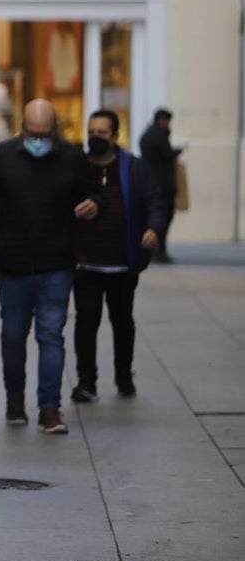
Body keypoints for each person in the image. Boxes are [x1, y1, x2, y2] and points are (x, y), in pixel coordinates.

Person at [0, 99, 102, 435]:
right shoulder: (2, 157)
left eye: (45, 133)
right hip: (13, 264)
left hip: (57, 262)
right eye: (32, 133)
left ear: (55, 128)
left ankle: (49, 409)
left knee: (50, 335)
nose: (39, 140)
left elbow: (94, 194)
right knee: (13, 336)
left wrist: (94, 206)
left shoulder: (72, 158)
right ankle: (15, 401)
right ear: (22, 128)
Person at [71, 110, 167, 401]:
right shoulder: (78, 168)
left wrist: (153, 228)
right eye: (91, 132)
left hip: (122, 263)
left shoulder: (134, 168)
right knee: (86, 322)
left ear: (115, 136)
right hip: (85, 263)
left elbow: (154, 200)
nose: (94, 138)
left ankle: (124, 377)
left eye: (101, 132)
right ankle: (87, 382)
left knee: (122, 322)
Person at [138, 108, 183, 263]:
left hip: (155, 183)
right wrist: (177, 151)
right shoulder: (158, 135)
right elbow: (167, 154)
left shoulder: (148, 134)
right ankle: (158, 250)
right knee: (162, 218)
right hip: (162, 184)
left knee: (157, 218)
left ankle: (156, 250)